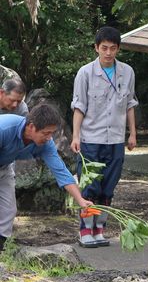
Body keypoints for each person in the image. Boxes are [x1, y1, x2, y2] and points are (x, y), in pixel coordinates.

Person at [71, 26, 138, 248]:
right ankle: (84, 231)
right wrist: (76, 136)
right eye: (104, 48)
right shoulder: (85, 73)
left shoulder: (127, 72)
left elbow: (129, 104)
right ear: (96, 48)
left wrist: (132, 133)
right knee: (90, 187)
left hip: (116, 138)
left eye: (112, 48)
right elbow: (79, 107)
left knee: (108, 187)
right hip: (91, 138)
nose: (108, 53)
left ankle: (99, 230)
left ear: (118, 49)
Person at [0, 104, 93, 252]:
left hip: (4, 167)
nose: (49, 137)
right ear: (31, 126)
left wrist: (80, 200)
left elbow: (61, 171)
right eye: (45, 133)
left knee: (8, 210)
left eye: (52, 133)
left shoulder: (45, 144)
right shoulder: (4, 128)